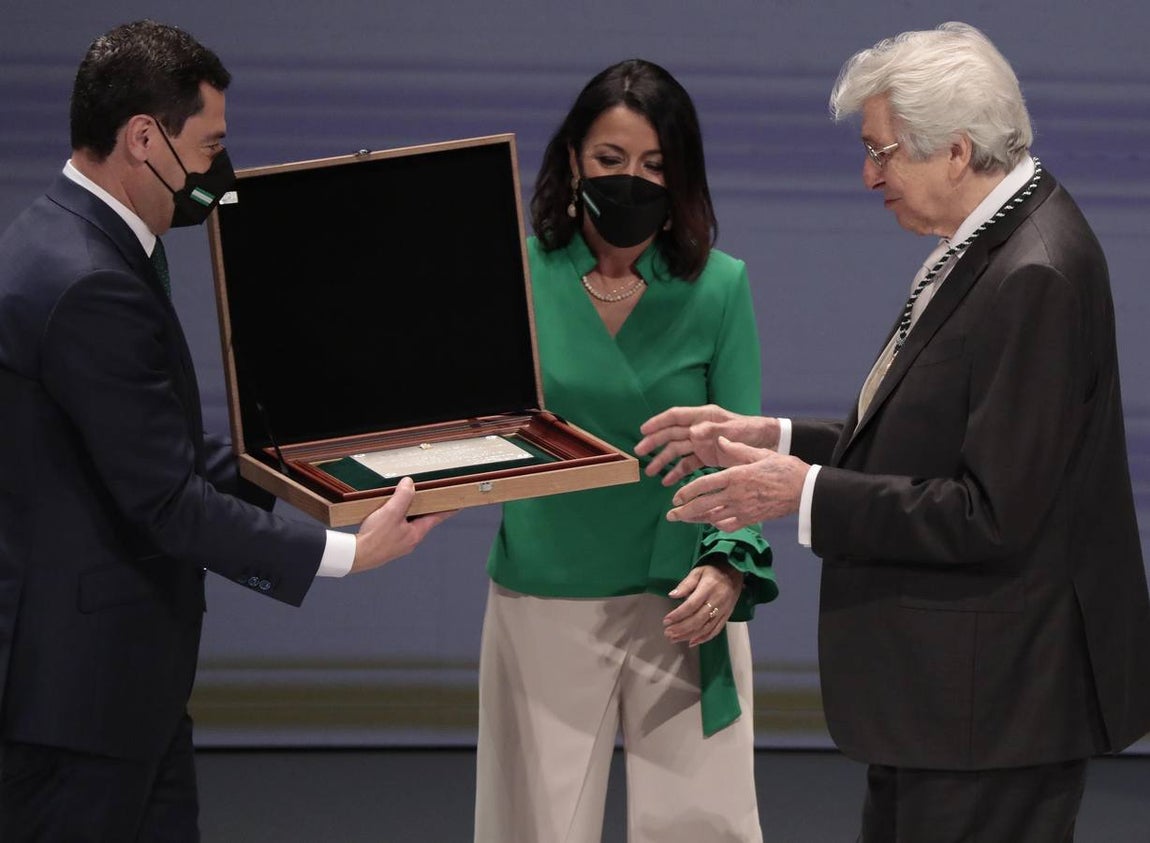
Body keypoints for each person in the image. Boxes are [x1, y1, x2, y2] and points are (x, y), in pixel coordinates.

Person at [636, 22, 1150, 843]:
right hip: (950, 702)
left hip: (992, 708)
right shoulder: (994, 239)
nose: (869, 174)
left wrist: (796, 493)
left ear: (955, 150)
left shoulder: (1036, 272)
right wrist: (777, 439)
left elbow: (988, 511)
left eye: (884, 152)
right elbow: (930, 442)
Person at [0, 20, 451, 841]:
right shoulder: (88, 279)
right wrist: (347, 552)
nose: (222, 173)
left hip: (119, 694)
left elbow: (145, 446)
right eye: (211, 146)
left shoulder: (64, 236)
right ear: (144, 138)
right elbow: (166, 498)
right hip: (78, 706)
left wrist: (315, 469)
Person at [474, 59, 777, 842]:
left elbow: (748, 460)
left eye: (654, 165)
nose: (631, 179)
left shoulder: (720, 288)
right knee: (533, 826)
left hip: (687, 600)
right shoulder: (513, 275)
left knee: (700, 828)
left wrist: (725, 563)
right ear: (573, 158)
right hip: (545, 593)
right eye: (611, 161)